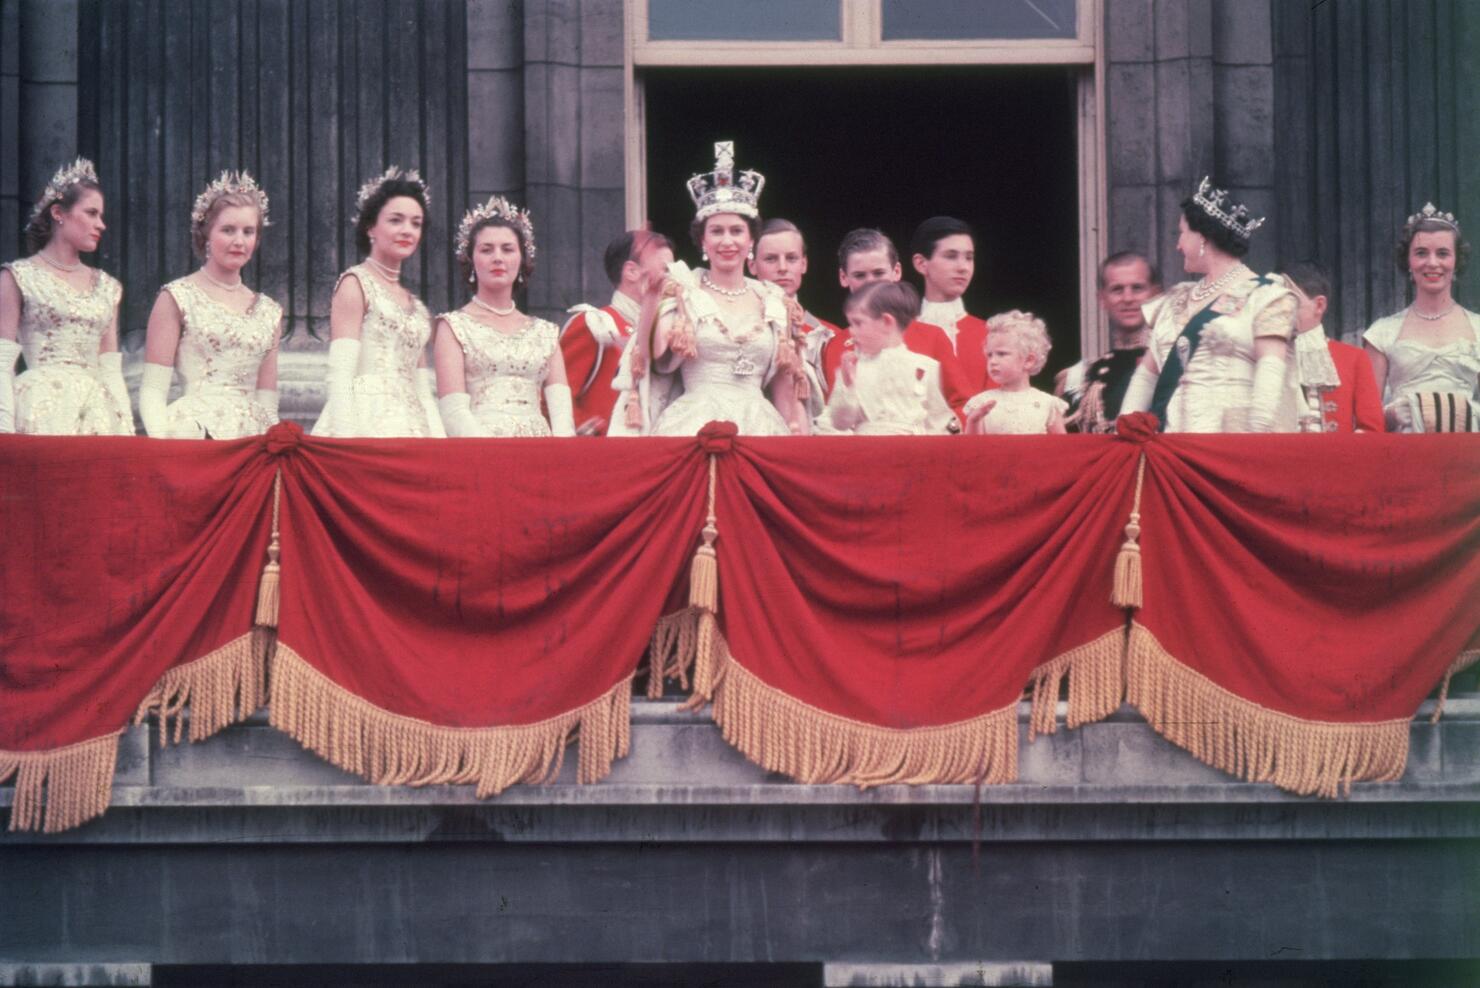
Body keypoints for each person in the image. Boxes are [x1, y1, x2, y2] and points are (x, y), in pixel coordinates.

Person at [622, 141, 808, 437]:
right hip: (693, 425)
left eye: (736, 231)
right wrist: (651, 299)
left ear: (751, 241)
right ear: (703, 241)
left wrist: (798, 436)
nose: (727, 241)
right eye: (716, 231)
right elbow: (654, 355)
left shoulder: (772, 300)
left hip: (760, 426)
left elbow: (784, 388)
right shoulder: (683, 290)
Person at [1119, 177, 1300, 433]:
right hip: (1172, 445)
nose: (1177, 245)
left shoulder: (1266, 297)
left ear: (1202, 237)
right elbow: (1146, 377)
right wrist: (1124, 430)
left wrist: (1257, 443)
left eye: (1181, 233)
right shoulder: (1174, 300)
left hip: (1231, 445)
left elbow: (1269, 374)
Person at [138, 172, 282, 439]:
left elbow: (267, 402)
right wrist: (162, 444)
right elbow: (153, 391)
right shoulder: (177, 297)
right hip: (193, 435)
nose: (239, 241)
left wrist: (273, 446)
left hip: (253, 440)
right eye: (228, 230)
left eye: (248, 232)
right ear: (205, 235)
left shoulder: (270, 311)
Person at [0, 158, 132, 435]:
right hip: (40, 407)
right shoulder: (18, 277)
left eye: (101, 216)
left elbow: (109, 369)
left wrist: (127, 430)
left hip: (98, 411)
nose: (101, 225)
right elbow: (2, 364)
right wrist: (4, 433)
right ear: (59, 213)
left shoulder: (107, 287)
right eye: (91, 213)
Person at [312, 166, 443, 437]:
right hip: (365, 424)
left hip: (414, 426)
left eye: (415, 223)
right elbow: (340, 375)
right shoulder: (355, 284)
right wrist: (346, 442)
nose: (407, 230)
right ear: (371, 226)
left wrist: (439, 442)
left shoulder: (417, 308)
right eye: (396, 220)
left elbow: (422, 389)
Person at [433, 196, 572, 437]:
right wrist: (494, 459)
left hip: (541, 453)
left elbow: (562, 416)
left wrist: (561, 461)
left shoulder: (546, 332)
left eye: (507, 249)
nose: (498, 257)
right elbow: (453, 413)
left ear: (522, 259)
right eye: (487, 250)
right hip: (480, 453)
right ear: (471, 260)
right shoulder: (453, 327)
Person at [1362, 203, 1479, 432]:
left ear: (1456, 262)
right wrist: (1390, 415)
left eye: (1443, 253)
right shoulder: (1382, 333)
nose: (1432, 263)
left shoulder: (1477, 327)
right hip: (1405, 455)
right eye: (1421, 253)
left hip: (1467, 454)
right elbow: (1366, 421)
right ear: (1409, 262)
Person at [837, 227, 969, 422]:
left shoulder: (933, 337)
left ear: (896, 271)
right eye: (860, 275)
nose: (871, 283)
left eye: (878, 272)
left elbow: (963, 405)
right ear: (844, 277)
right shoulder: (835, 345)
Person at [560, 229, 674, 435]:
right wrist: (582, 427)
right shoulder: (595, 324)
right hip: (604, 453)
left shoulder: (668, 330)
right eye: (666, 269)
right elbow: (557, 394)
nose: (672, 278)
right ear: (631, 271)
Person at [815, 281, 953, 436]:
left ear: (887, 322)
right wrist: (848, 386)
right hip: (867, 451)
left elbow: (939, 421)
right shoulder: (853, 370)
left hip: (914, 452)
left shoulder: (925, 367)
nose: (851, 331)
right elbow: (840, 423)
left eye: (858, 323)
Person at [1059, 251, 1161, 433]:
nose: (1127, 298)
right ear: (1102, 299)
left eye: (1137, 288)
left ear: (1156, 293)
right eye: (1117, 289)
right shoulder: (1081, 377)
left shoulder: (1177, 366)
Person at [749, 218, 842, 414]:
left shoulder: (831, 335)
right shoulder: (738, 329)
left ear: (804, 264)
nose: (782, 267)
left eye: (791, 258)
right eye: (771, 259)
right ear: (752, 265)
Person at [1283, 261, 1384, 433]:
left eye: (1290, 302)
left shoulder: (1353, 358)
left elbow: (1371, 429)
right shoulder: (1263, 355)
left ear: (1319, 305)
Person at [910, 215, 991, 393]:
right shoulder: (899, 333)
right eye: (951, 256)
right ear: (921, 264)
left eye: (969, 258)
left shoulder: (992, 335)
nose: (963, 267)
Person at [963, 311, 1067, 435]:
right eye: (989, 355)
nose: (993, 361)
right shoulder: (981, 403)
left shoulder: (1048, 404)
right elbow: (972, 449)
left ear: (1028, 360)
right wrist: (973, 421)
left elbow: (1062, 447)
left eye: (1002, 354)